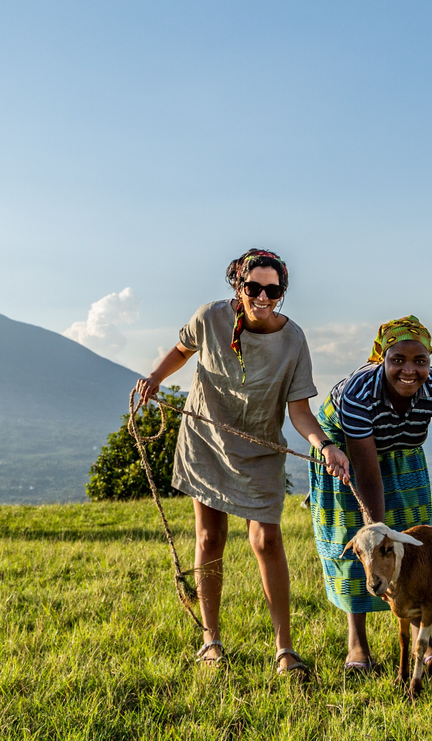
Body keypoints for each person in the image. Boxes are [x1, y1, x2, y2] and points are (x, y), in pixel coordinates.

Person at [136, 249, 326, 680]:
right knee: (209, 538)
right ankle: (211, 641)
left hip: (260, 448)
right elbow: (183, 349)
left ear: (282, 292)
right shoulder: (209, 317)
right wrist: (154, 378)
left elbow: (299, 412)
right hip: (206, 439)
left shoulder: (293, 340)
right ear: (239, 286)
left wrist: (323, 445)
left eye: (272, 290)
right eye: (254, 287)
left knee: (267, 542)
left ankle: (285, 649)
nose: (263, 296)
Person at [310, 317, 432, 673]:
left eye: (420, 360)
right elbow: (368, 473)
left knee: (413, 540)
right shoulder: (359, 392)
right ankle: (357, 644)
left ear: (429, 362)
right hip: (345, 452)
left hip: (402, 448)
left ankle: (425, 640)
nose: (410, 370)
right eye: (398, 360)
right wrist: (375, 532)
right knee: (359, 544)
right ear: (381, 359)